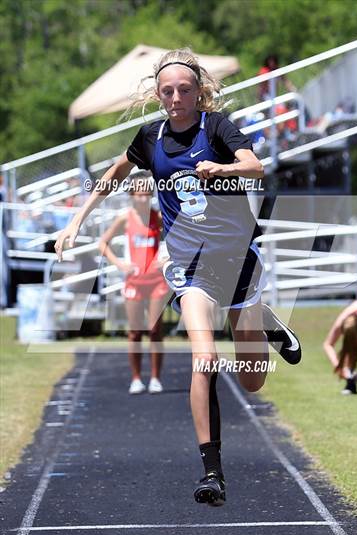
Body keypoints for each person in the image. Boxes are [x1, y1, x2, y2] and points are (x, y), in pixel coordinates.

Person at [55, 47, 301, 507]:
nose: (174, 98)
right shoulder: (150, 137)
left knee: (252, 380)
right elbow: (111, 175)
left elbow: (255, 167)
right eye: (166, 91)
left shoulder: (218, 128)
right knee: (203, 359)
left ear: (199, 91)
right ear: (157, 93)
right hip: (190, 267)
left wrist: (223, 168)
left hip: (236, 261)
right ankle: (213, 473)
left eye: (184, 90)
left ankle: (264, 321)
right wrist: (75, 223)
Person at [98, 175, 170, 395]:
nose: (142, 197)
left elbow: (178, 236)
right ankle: (136, 378)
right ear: (131, 196)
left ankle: (156, 378)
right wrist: (120, 263)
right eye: (138, 194)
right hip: (134, 281)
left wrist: (167, 257)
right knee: (135, 332)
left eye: (146, 193)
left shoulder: (157, 217)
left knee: (154, 329)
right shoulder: (125, 219)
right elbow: (102, 243)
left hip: (156, 281)